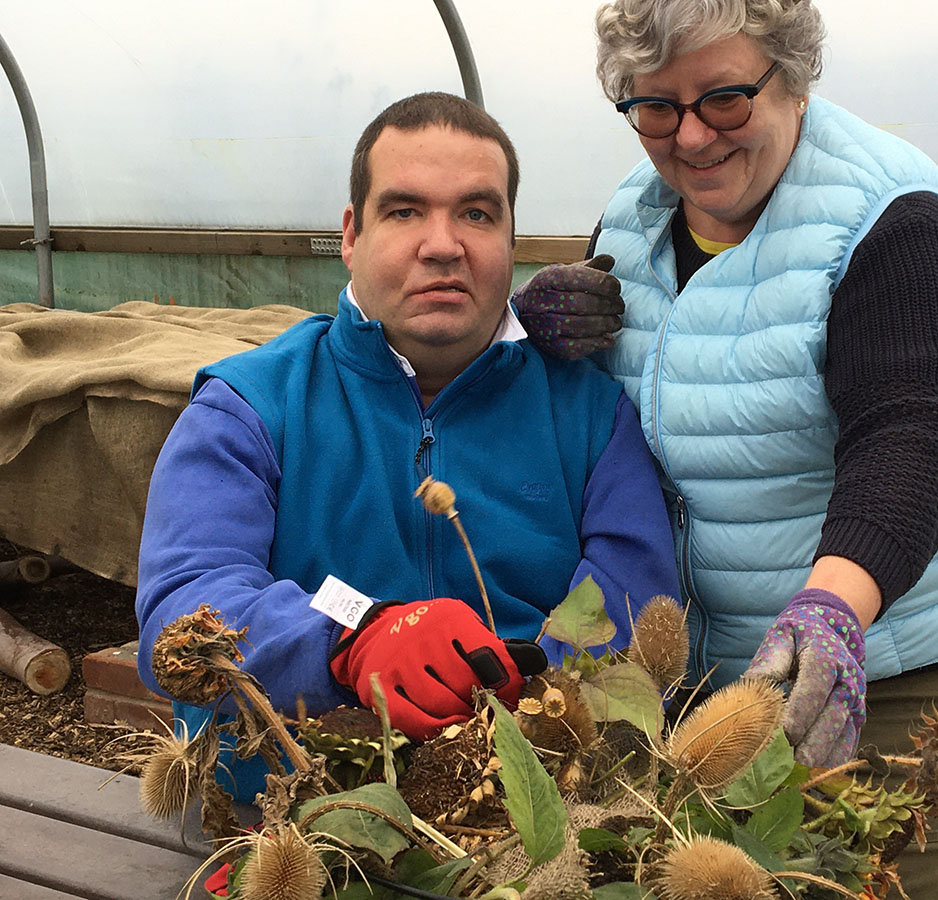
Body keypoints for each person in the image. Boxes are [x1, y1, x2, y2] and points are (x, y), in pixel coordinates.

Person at [511, 2, 938, 897]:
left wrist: (835, 607)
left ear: (794, 77)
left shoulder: (890, 221)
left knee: (887, 873)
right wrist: (532, 333)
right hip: (716, 661)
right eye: (655, 106)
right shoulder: (635, 215)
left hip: (903, 647)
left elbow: (916, 431)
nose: (690, 136)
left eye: (724, 99)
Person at [135, 92, 679, 800]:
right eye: (405, 210)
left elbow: (637, 606)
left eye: (477, 214)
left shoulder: (589, 413)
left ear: (513, 243)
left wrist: (520, 710)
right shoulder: (250, 407)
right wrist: (353, 637)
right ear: (351, 236)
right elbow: (185, 604)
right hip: (296, 825)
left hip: (538, 822)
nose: (443, 243)